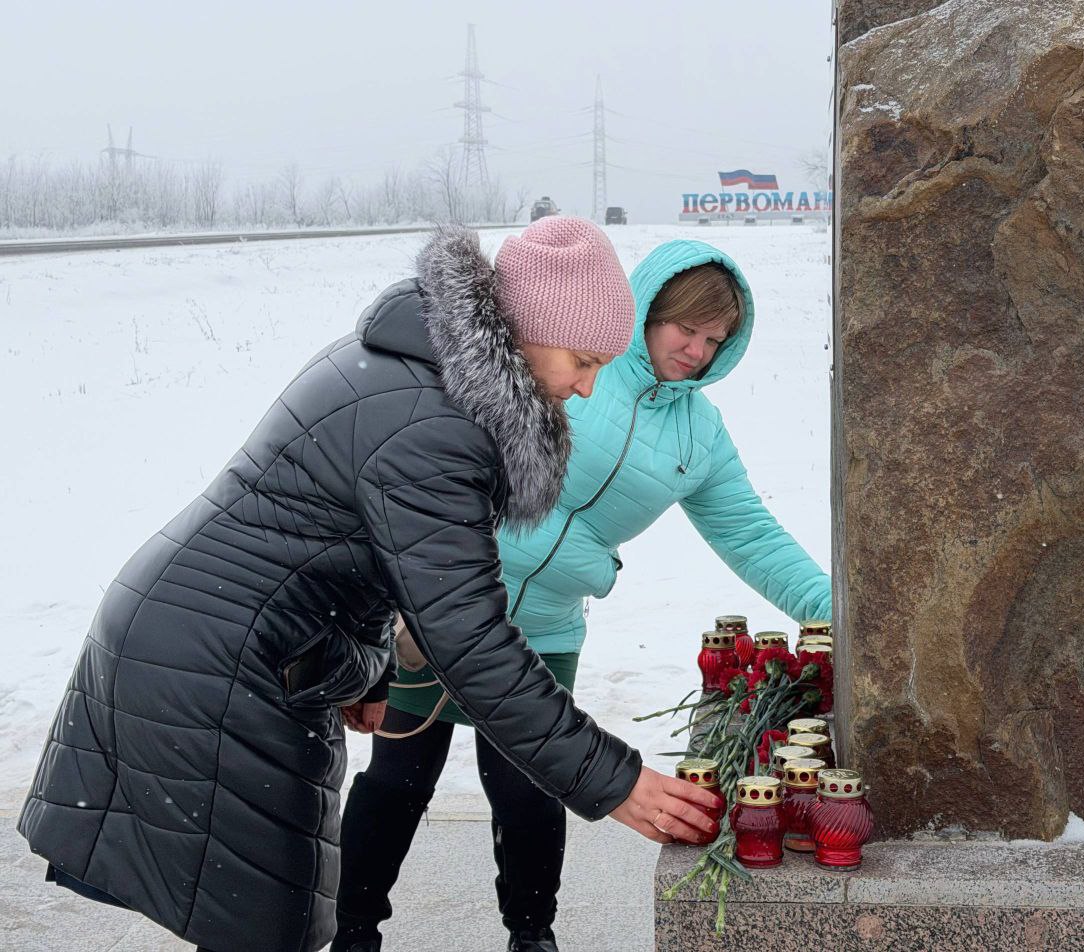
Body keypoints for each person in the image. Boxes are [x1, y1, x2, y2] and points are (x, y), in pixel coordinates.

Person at [16, 218, 719, 952]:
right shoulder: (434, 422)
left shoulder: (413, 367)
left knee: (265, 921)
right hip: (209, 670)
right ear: (523, 328)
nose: (585, 387)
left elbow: (338, 542)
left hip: (221, 647)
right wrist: (615, 782)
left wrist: (366, 664)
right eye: (581, 359)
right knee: (260, 927)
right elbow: (470, 642)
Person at [334, 239, 832, 952]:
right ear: (647, 311)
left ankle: (532, 936)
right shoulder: (576, 366)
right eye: (683, 328)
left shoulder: (700, 435)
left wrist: (835, 615)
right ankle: (354, 933)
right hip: (444, 604)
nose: (695, 349)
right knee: (399, 778)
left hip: (546, 627)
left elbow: (752, 536)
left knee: (529, 787)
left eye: (714, 339)